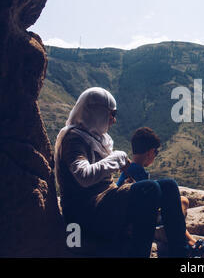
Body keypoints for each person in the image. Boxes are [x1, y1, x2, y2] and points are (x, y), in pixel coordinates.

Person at [54, 87, 189, 257]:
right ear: (96, 112)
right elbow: (83, 176)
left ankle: (182, 254)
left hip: (103, 203)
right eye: (111, 114)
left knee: (169, 186)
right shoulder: (73, 139)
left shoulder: (96, 138)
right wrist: (117, 158)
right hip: (86, 211)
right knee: (149, 189)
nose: (113, 120)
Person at [117, 127, 199, 247]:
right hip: (137, 221)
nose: (155, 156)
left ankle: (181, 236)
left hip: (130, 215)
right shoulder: (137, 172)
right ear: (150, 152)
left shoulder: (130, 169)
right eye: (156, 153)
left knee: (182, 201)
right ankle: (187, 240)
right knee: (182, 202)